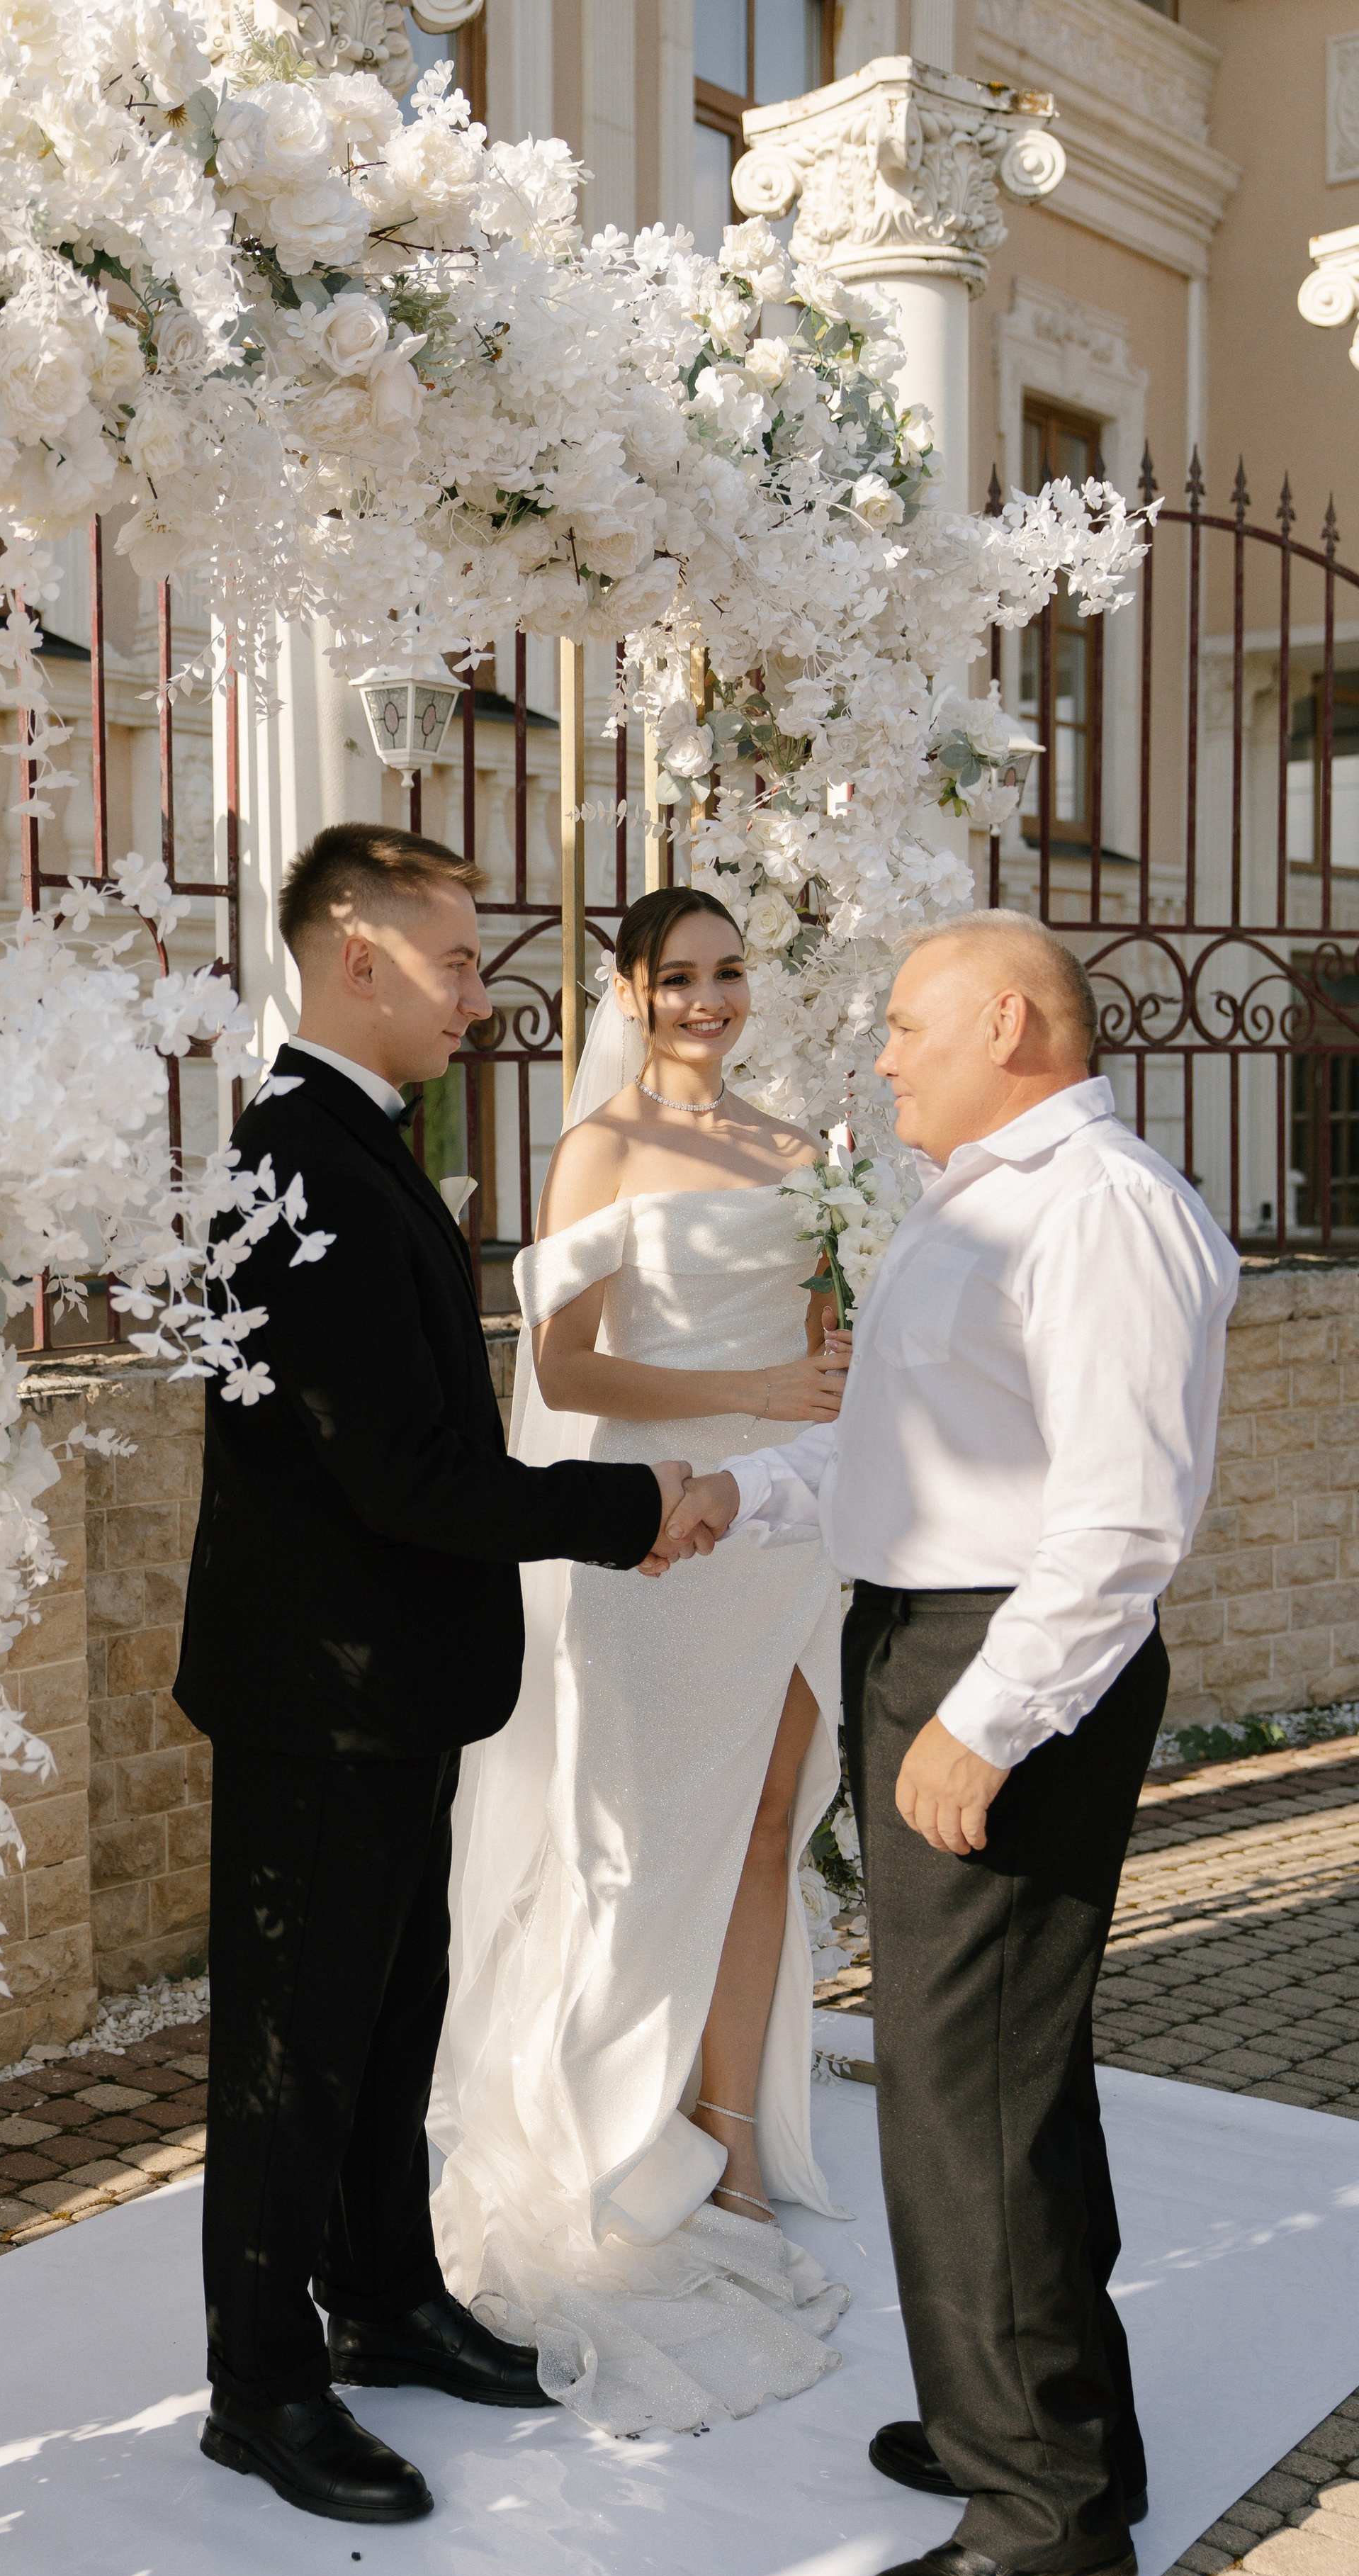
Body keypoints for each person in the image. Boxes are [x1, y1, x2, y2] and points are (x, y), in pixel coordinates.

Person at [666, 910, 1241, 2576]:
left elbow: (1122, 1516)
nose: (883, 1054)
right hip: (930, 1628)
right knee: (1000, 2073)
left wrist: (984, 1722)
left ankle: (1041, 2513)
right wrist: (737, 1500)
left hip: (1004, 1658)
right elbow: (896, 1452)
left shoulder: (1099, 1209)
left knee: (959, 2089)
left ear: (1006, 1022)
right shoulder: (984, 1201)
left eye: (908, 1026)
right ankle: (1052, 2431)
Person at [173, 823, 693, 2530]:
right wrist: (636, 1506)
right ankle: (260, 2386)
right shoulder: (296, 1161)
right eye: (460, 962)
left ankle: (381, 2299)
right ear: (358, 958)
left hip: (389, 1680)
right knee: (292, 2047)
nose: (485, 995)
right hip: (318, 1689)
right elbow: (401, 1470)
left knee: (388, 2022)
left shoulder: (358, 1141)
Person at [429, 889, 855, 2439]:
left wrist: (820, 1370)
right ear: (627, 988)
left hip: (785, 1526)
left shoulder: (804, 1154)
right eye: (677, 976)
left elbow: (827, 1338)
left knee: (757, 1832)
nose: (707, 999)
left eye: (728, 973)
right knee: (631, 1848)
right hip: (651, 1521)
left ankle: (729, 2143)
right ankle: (613, 2140)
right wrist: (746, 1381)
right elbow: (558, 1362)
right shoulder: (599, 1145)